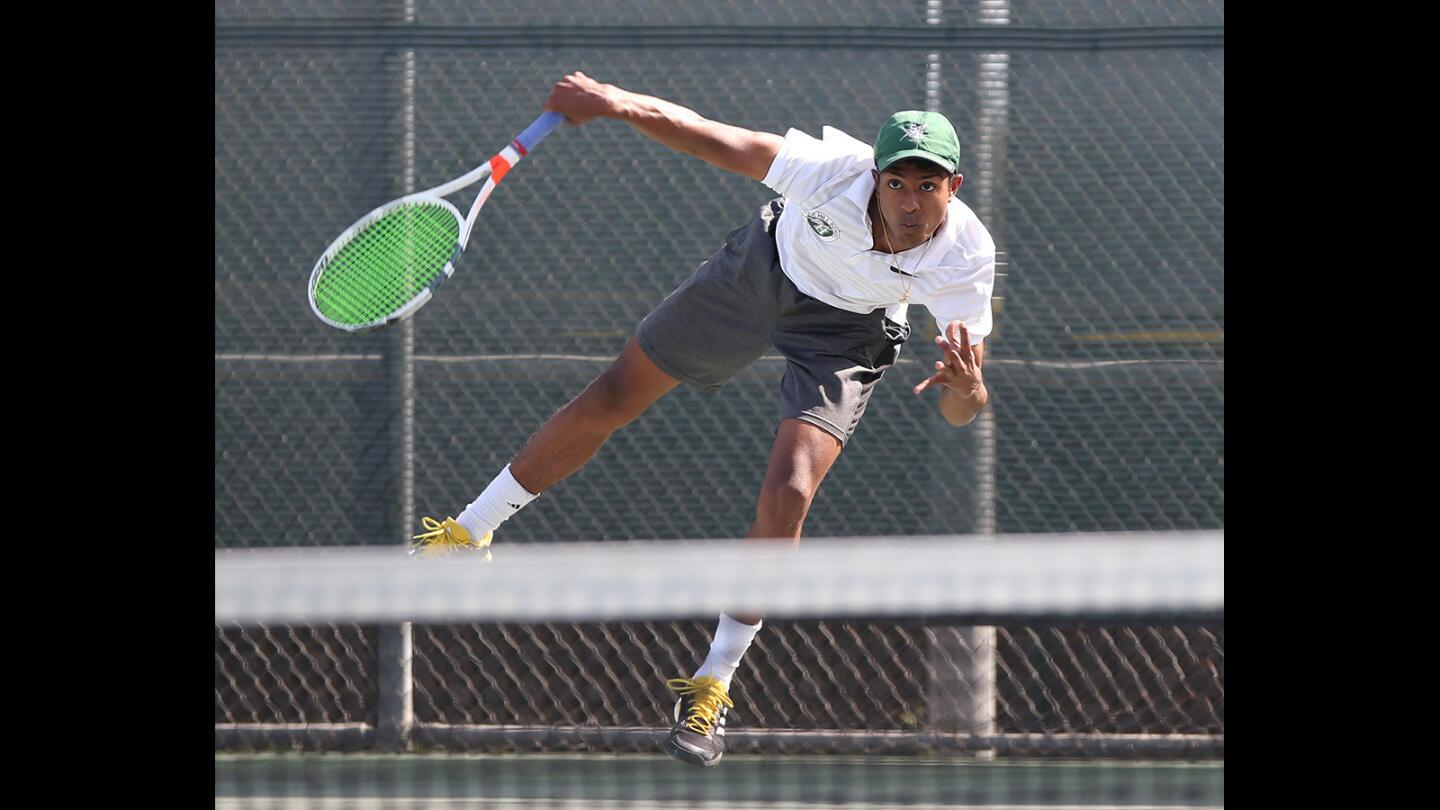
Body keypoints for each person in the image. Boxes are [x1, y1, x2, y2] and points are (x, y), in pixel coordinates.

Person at [410, 72, 995, 768]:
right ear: (874, 176)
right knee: (612, 397)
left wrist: (970, 391)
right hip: (762, 272)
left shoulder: (965, 256)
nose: (909, 199)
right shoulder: (829, 175)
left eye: (927, 186)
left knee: (791, 493)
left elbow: (962, 412)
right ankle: (468, 531)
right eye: (897, 182)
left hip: (850, 333)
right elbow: (721, 142)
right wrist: (619, 104)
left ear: (951, 189)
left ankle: (713, 682)